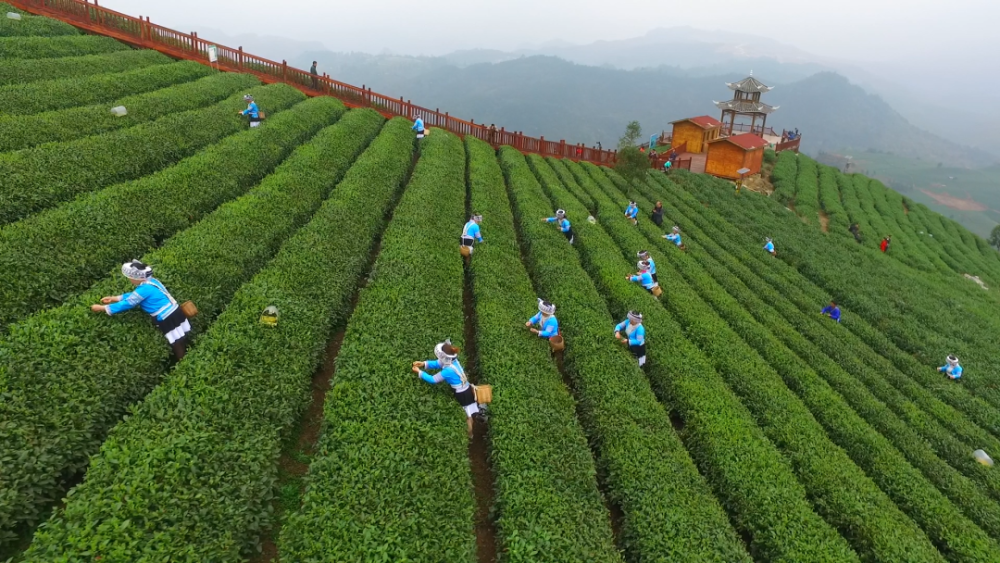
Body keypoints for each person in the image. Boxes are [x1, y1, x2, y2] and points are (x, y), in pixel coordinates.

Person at [90, 260, 191, 360]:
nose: (130, 280)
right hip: (175, 311)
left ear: (138, 278)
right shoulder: (152, 281)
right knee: (181, 335)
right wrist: (115, 298)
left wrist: (103, 308)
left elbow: (129, 303)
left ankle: (182, 360)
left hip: (166, 316)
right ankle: (188, 352)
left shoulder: (144, 289)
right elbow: (135, 296)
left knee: (176, 341)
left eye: (131, 278)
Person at [413, 339, 481, 437]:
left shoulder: (448, 370)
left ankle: (470, 434)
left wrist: (419, 372)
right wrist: (424, 364)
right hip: (466, 388)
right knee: (468, 413)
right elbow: (438, 363)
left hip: (462, 393)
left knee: (467, 416)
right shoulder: (453, 361)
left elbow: (433, 379)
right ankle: (470, 432)